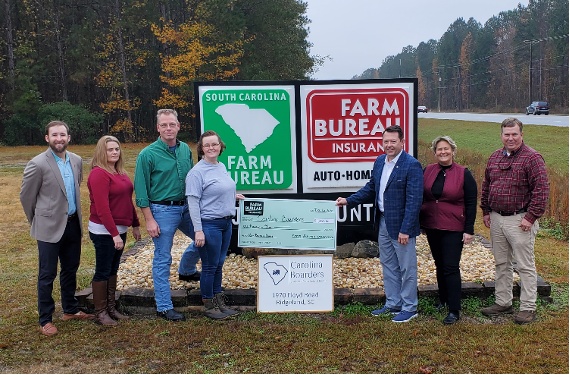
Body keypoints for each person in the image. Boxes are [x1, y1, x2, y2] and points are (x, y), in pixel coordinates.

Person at [336, 125, 423, 323]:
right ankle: (393, 303)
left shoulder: (412, 165)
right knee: (389, 265)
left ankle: (410, 307)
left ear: (402, 142)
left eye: (393, 141)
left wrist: (406, 230)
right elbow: (371, 188)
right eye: (386, 141)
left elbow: (414, 201)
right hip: (383, 222)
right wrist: (349, 200)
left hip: (402, 227)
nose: (389, 145)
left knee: (407, 268)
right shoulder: (379, 162)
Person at [20, 121, 95, 337]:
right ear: (47, 138)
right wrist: (37, 220)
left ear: (69, 137)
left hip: (72, 224)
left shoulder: (77, 161)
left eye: (63, 134)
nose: (59, 138)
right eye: (54, 135)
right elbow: (26, 197)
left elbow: (73, 188)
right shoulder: (37, 164)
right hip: (47, 227)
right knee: (47, 274)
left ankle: (70, 310)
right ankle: (45, 319)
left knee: (70, 269)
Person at [480, 117, 549, 325]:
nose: (510, 138)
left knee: (525, 265)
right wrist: (485, 210)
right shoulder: (494, 157)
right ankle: (503, 302)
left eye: (514, 134)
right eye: (507, 134)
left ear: (521, 134)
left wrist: (531, 217)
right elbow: (486, 185)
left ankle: (528, 307)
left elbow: (541, 190)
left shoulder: (532, 158)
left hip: (520, 220)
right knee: (502, 263)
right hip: (497, 218)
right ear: (501, 135)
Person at [134, 109, 201, 322]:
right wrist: (149, 219)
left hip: (186, 208)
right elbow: (141, 190)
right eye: (164, 125)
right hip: (162, 210)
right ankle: (164, 306)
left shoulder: (185, 150)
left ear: (178, 126)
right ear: (158, 128)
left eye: (172, 124)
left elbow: (193, 179)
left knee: (205, 238)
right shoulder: (148, 154)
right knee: (163, 257)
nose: (168, 128)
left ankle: (187, 270)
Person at [183, 130, 245, 320]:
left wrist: (231, 196)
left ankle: (219, 302)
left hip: (225, 223)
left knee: (218, 264)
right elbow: (193, 203)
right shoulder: (196, 173)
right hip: (209, 225)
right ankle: (209, 304)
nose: (211, 148)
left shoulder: (221, 166)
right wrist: (198, 230)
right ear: (201, 148)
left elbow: (217, 189)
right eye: (207, 145)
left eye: (214, 144)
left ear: (220, 146)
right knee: (209, 266)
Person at [419, 136, 477, 325]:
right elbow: (421, 196)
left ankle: (454, 309)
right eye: (439, 149)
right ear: (434, 152)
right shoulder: (428, 170)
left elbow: (470, 203)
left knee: (451, 267)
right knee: (439, 264)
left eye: (446, 149)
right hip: (432, 225)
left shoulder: (463, 173)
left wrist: (469, 230)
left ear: (453, 150)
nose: (442, 152)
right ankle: (442, 299)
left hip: (453, 227)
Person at [88, 135, 142, 326]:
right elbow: (102, 209)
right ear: (102, 152)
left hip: (119, 228)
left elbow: (127, 201)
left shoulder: (120, 172)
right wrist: (113, 234)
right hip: (104, 231)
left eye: (116, 149)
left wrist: (135, 224)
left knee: (113, 268)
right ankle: (100, 313)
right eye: (110, 149)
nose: (114, 152)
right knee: (103, 270)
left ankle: (111, 308)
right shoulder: (99, 174)